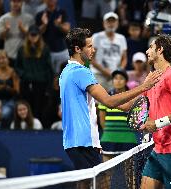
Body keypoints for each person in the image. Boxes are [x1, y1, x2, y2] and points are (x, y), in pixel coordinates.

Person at [59, 27, 161, 171]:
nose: (93, 50)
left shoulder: (66, 72)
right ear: (77, 49)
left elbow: (121, 105)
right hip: (83, 142)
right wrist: (144, 86)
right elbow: (109, 101)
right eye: (89, 46)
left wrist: (146, 93)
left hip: (75, 141)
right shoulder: (81, 72)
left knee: (87, 184)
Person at [132, 34, 171, 189]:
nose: (147, 51)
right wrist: (106, 100)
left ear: (160, 50)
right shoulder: (151, 78)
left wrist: (157, 123)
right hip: (158, 148)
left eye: (151, 47)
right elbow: (135, 103)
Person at [15, 24, 53, 121]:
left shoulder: (45, 49)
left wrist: (48, 84)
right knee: (26, 104)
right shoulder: (22, 49)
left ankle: (38, 126)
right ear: (28, 35)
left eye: (35, 35)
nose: (33, 37)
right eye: (31, 35)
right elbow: (17, 66)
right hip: (26, 82)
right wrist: (23, 75)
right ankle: (26, 124)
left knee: (39, 105)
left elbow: (49, 68)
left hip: (40, 83)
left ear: (39, 35)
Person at [98, 69, 138, 162]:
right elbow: (102, 119)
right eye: (115, 78)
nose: (118, 81)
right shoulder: (106, 97)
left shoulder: (132, 97)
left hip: (129, 140)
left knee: (130, 174)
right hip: (109, 139)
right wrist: (111, 132)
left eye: (121, 78)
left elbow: (136, 120)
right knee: (107, 173)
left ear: (126, 81)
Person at [90, 12, 127, 90]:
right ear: (104, 23)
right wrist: (104, 71)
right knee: (98, 101)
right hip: (98, 74)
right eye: (108, 21)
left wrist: (119, 71)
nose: (111, 24)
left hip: (115, 76)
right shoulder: (96, 37)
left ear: (117, 23)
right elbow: (91, 58)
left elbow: (124, 58)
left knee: (114, 100)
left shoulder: (121, 38)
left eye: (113, 21)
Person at [35, 0, 71, 74]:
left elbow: (68, 30)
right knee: (49, 76)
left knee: (65, 75)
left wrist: (59, 25)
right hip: (47, 52)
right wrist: (44, 24)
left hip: (62, 50)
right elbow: (37, 34)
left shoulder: (62, 12)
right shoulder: (40, 15)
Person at [0, 50, 20, 127]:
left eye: (3, 58)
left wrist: (7, 88)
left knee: (4, 114)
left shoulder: (13, 72)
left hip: (9, 100)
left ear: (7, 59)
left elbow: (17, 91)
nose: (1, 61)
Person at [0, 0, 34, 65]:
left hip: (25, 54)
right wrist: (6, 30)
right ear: (10, 3)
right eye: (14, 1)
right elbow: (0, 37)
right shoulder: (3, 19)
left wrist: (23, 30)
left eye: (18, 1)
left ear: (22, 3)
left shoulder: (29, 18)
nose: (16, 4)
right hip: (8, 55)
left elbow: (34, 38)